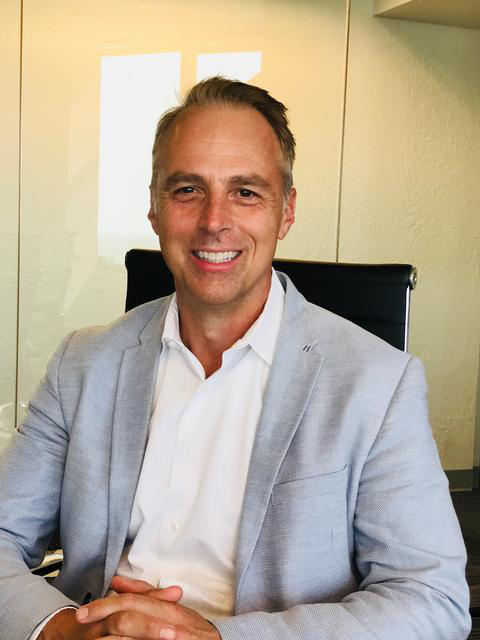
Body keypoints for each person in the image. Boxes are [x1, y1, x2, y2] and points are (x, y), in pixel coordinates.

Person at [0, 77, 470, 640]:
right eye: (187, 190)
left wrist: (218, 639)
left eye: (246, 192)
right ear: (154, 207)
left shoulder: (379, 384)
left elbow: (431, 598)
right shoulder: (82, 363)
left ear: (286, 211)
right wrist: (62, 629)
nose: (214, 221)